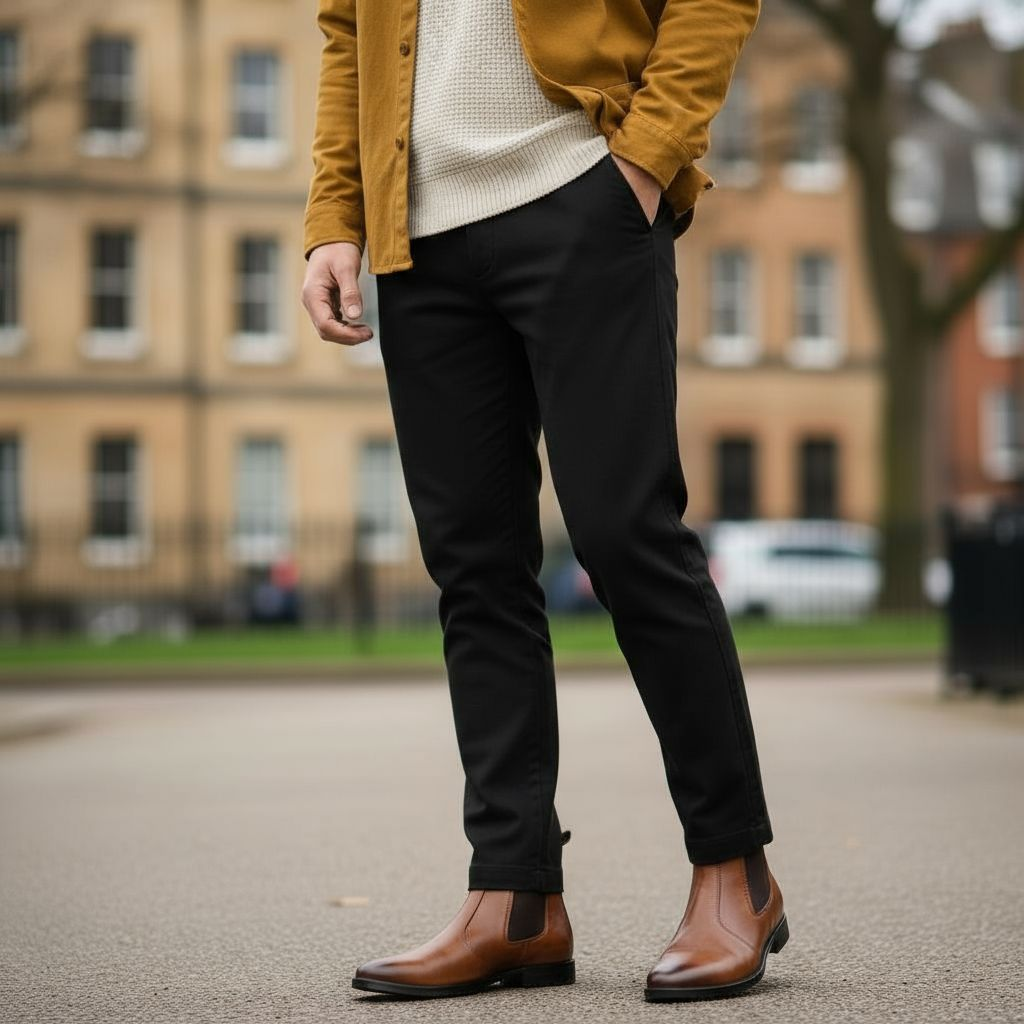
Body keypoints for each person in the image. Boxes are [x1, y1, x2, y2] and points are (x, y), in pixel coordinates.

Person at [300, 0, 787, 1003]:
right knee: (474, 569)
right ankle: (514, 897)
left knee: (624, 536)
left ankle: (734, 869)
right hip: (420, 235)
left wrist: (646, 160)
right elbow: (348, 33)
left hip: (581, 191)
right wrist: (333, 217)